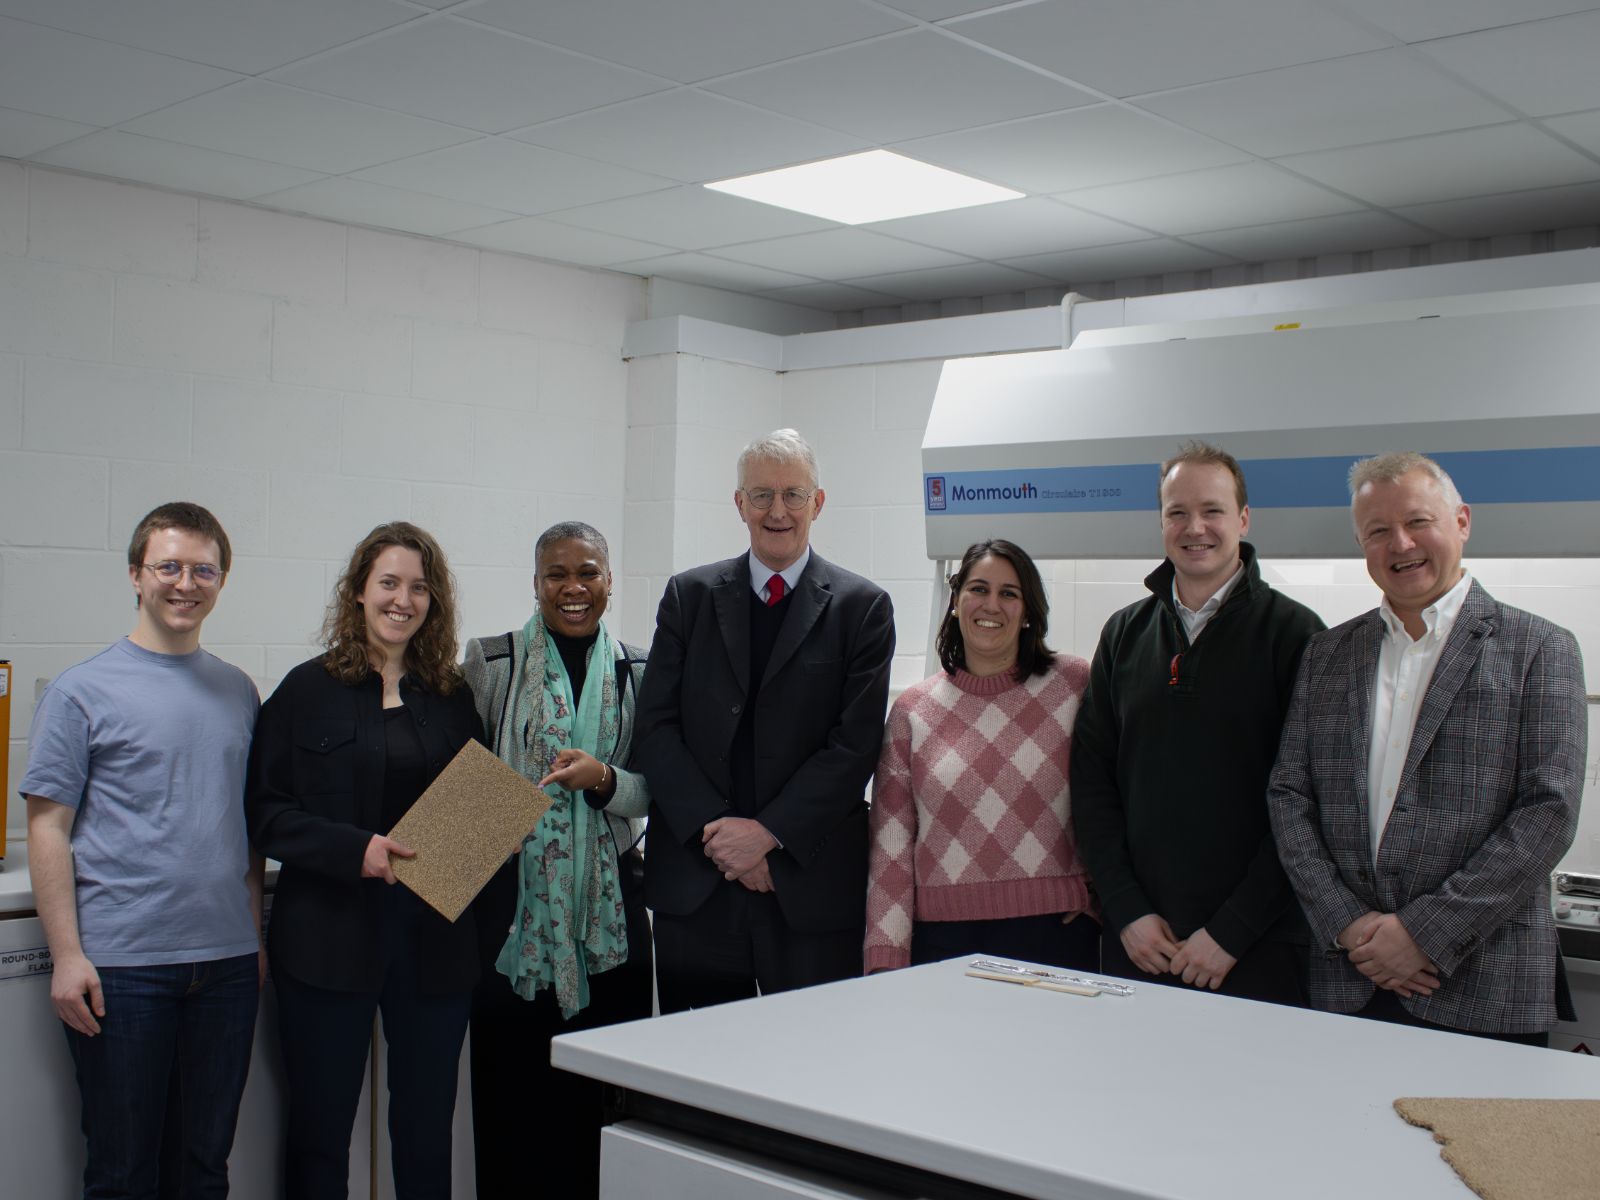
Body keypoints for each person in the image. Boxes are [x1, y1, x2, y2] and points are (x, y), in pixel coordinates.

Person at [1268, 452, 1584, 1045]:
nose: (1401, 544)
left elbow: (1549, 812)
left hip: (1481, 988)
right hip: (1350, 977)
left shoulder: (1540, 648)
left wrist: (1422, 934)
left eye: (1418, 522)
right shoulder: (1327, 654)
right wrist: (1346, 923)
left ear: (1461, 521)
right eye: (1378, 531)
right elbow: (1289, 795)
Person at [22, 501, 262, 1200]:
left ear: (221, 581)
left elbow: (245, 826)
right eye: (168, 567)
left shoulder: (239, 690)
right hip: (120, 970)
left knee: (204, 1168)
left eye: (203, 571)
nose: (186, 584)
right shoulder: (79, 691)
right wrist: (67, 956)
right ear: (135, 574)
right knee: (123, 1173)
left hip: (226, 968)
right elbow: (47, 830)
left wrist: (251, 937)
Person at [246, 522, 483, 1199]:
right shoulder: (304, 691)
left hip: (435, 945)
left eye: (419, 587)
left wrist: (492, 831)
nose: (402, 600)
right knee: (319, 1134)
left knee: (427, 1129)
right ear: (358, 591)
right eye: (388, 583)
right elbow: (265, 814)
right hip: (326, 939)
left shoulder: (451, 695)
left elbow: (472, 801)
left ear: (434, 601)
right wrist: (357, 851)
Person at [635, 428, 896, 1011]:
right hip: (699, 887)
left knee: (809, 1056)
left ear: (817, 503)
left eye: (793, 494)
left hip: (805, 887)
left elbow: (853, 747)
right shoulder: (688, 597)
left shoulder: (863, 609)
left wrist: (767, 836)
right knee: (694, 1060)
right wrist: (721, 835)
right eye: (761, 495)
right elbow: (655, 728)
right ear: (739, 504)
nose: (777, 511)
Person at [1071, 442, 1325, 1003]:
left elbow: (1309, 802)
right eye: (1177, 512)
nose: (1195, 528)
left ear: (1243, 519)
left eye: (1212, 510)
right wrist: (1126, 909)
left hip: (1257, 947)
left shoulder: (1298, 635)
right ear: (1161, 522)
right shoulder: (1124, 634)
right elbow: (1091, 784)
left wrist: (1233, 930)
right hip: (1142, 943)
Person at [463, 521, 651, 1200]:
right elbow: (461, 779)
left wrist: (602, 779)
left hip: (609, 918)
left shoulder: (639, 668)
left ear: (609, 581)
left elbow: (654, 789)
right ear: (536, 583)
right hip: (513, 916)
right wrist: (500, 820)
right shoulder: (493, 661)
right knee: (513, 1101)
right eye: (557, 575)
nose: (574, 588)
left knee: (599, 1104)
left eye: (588, 572)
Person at [864, 539, 1098, 974]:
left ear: (1028, 611)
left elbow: (1114, 799)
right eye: (978, 589)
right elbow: (891, 848)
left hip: (1056, 935)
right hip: (944, 943)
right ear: (955, 602)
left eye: (1009, 593)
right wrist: (885, 960)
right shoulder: (913, 711)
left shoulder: (1074, 685)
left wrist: (1103, 897)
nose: (991, 605)